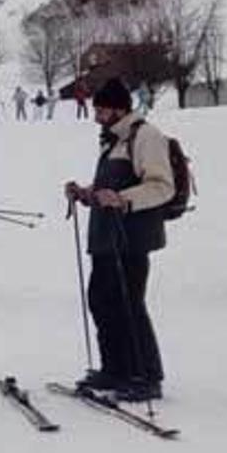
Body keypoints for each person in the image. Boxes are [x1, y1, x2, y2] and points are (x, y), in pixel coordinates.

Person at [65, 78, 173, 402]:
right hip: (107, 237)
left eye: (101, 109)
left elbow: (161, 186)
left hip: (132, 237)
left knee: (129, 303)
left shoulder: (145, 136)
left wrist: (124, 199)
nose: (96, 115)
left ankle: (146, 374)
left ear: (119, 108)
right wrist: (87, 194)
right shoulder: (114, 139)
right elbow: (110, 189)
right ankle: (115, 368)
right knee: (102, 300)